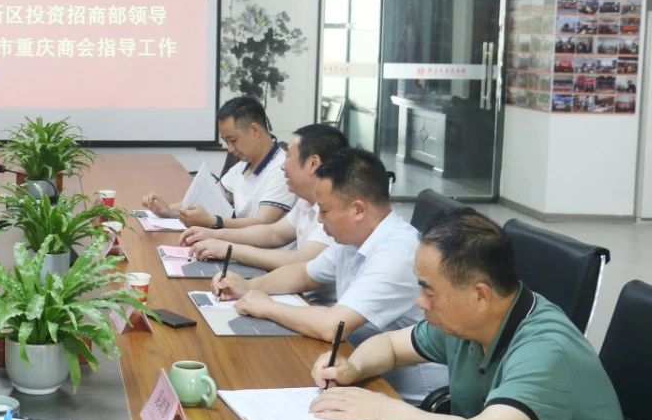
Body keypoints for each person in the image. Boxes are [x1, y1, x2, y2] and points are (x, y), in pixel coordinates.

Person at [309, 209, 629, 420]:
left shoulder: (546, 351)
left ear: (479, 295)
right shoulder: (469, 321)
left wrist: (382, 409)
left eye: (429, 291)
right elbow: (390, 346)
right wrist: (354, 367)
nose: (420, 302)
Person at [213, 147, 445, 401]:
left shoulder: (397, 252)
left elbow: (333, 327)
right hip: (356, 367)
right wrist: (249, 286)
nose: (320, 221)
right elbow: (305, 274)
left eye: (324, 211)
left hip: (403, 393)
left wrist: (267, 306)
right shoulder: (355, 237)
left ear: (358, 210)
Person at [183, 123, 347, 271]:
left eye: (289, 157)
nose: (283, 166)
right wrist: (214, 235)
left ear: (313, 164)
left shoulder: (335, 209)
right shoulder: (306, 201)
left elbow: (300, 261)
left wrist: (228, 249)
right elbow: (273, 233)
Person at [142, 96, 294, 229]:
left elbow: (262, 225)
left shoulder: (282, 170)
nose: (230, 149)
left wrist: (214, 221)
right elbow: (207, 199)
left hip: (264, 252)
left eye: (233, 140)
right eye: (226, 142)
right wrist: (169, 210)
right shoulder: (243, 164)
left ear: (255, 130)